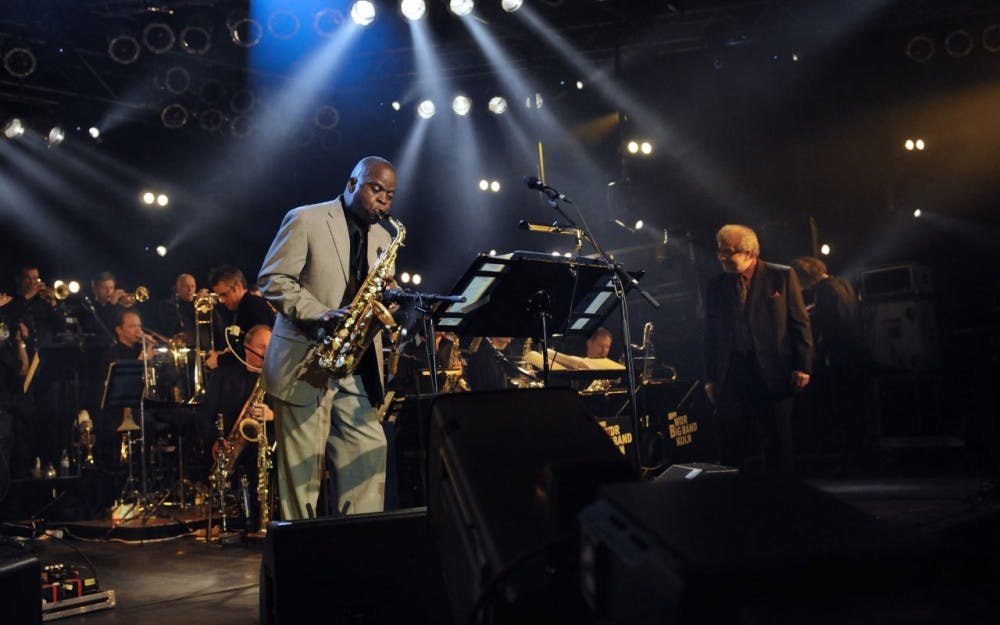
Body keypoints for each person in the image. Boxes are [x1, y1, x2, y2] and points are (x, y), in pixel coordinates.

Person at [258, 155, 397, 519]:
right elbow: (273, 280)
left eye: (390, 195)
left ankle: (358, 549)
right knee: (302, 477)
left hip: (355, 363)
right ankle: (300, 560)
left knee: (370, 451)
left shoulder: (384, 237)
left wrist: (389, 302)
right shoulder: (307, 218)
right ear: (352, 183)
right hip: (306, 361)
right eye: (376, 188)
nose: (383, 200)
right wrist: (320, 312)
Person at [704, 224, 812, 474]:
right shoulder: (716, 285)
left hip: (773, 372)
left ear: (749, 252)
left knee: (777, 443)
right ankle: (735, 502)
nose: (721, 257)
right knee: (729, 443)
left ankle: (780, 500)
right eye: (720, 251)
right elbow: (710, 334)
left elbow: (800, 323)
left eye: (727, 251)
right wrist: (710, 376)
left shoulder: (781, 276)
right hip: (731, 374)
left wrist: (802, 365)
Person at [791, 256, 869, 467]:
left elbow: (829, 322)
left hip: (840, 352)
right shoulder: (842, 282)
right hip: (857, 350)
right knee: (856, 406)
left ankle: (848, 459)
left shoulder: (823, 290)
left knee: (843, 406)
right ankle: (859, 455)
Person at [206, 266, 276, 371]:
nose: (222, 300)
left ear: (238, 286)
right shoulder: (245, 307)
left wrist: (220, 360)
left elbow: (258, 351)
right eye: (219, 296)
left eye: (224, 294)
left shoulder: (253, 306)